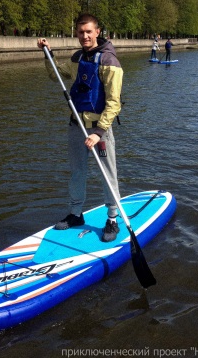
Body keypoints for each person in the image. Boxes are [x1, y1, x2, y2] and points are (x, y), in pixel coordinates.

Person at [37, 14, 123, 242]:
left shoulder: (109, 61)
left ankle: (113, 219)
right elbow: (58, 75)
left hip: (98, 129)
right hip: (76, 126)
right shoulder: (77, 58)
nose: (84, 36)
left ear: (97, 32)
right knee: (77, 172)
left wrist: (99, 132)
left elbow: (114, 103)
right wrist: (48, 54)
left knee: (107, 174)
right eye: (80, 32)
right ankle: (76, 214)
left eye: (88, 32)